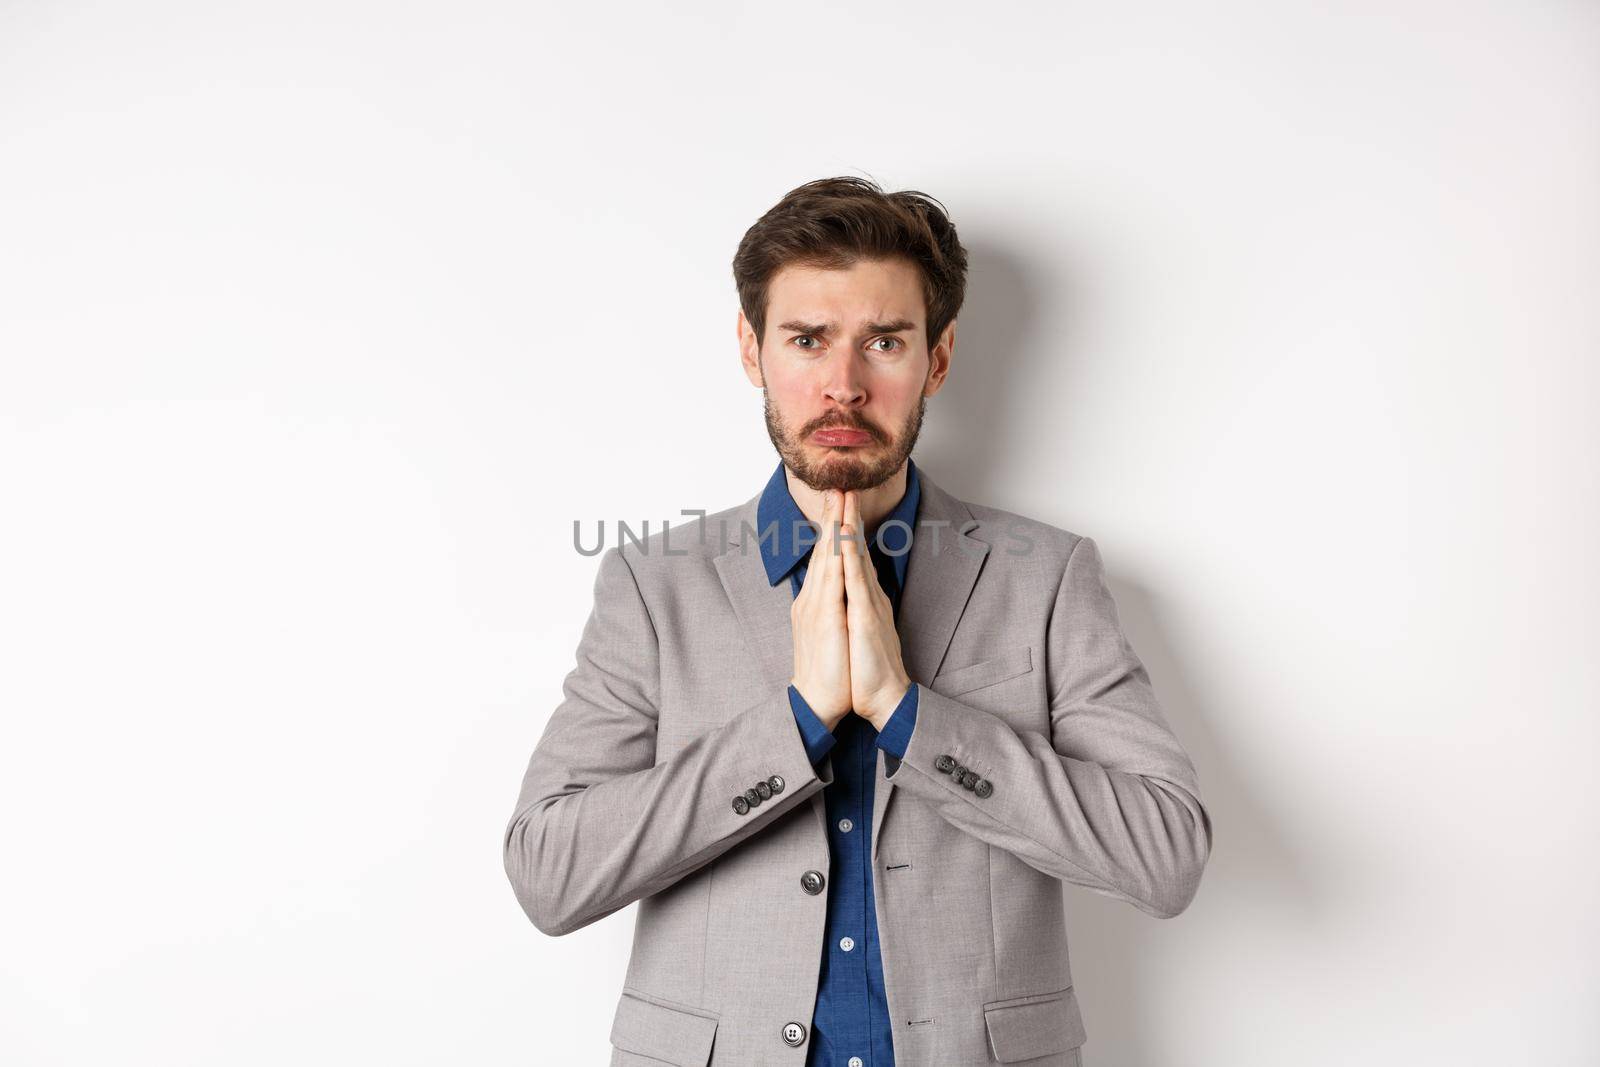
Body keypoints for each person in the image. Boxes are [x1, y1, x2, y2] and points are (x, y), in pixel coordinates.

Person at [503, 175, 1212, 1066]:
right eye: (807, 339)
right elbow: (548, 874)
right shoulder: (653, 586)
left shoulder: (1049, 579)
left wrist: (911, 715)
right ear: (753, 350)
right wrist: (794, 722)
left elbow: (1166, 853)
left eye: (884, 341)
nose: (843, 385)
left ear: (938, 358)